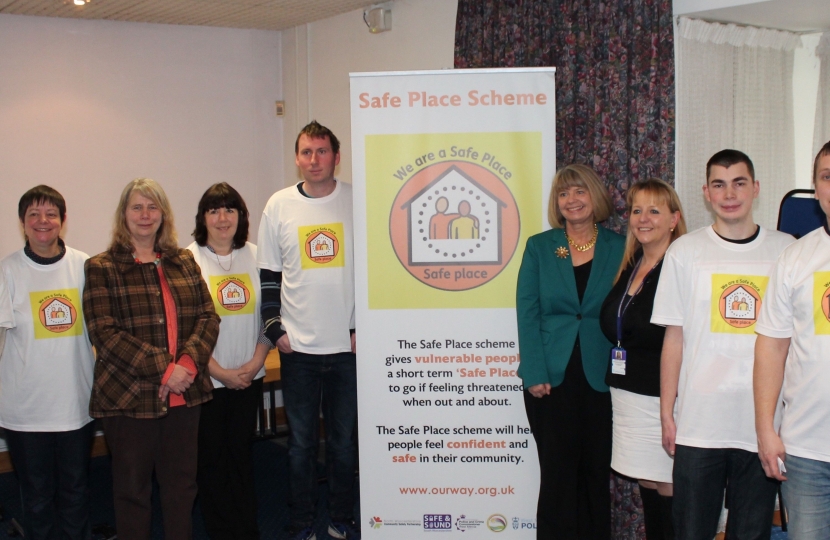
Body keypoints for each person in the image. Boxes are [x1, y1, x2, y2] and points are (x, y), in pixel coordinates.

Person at [652, 150, 794, 539]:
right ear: (706, 193)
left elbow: (795, 345)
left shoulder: (787, 251)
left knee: (751, 533)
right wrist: (668, 411)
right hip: (700, 424)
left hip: (763, 426)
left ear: (756, 189)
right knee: (691, 531)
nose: (729, 193)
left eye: (739, 182)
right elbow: (674, 338)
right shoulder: (684, 252)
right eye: (719, 184)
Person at [83, 178, 220, 540]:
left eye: (152, 207)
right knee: (132, 493)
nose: (145, 215)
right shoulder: (102, 267)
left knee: (181, 489)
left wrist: (188, 366)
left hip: (185, 395)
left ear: (163, 214)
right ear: (123, 215)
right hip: (129, 399)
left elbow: (208, 316)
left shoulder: (183, 260)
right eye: (137, 207)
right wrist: (164, 369)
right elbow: (104, 332)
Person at [258, 121, 358, 540]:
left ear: (336, 156)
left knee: (342, 444)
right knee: (299, 447)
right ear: (297, 157)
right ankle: (301, 521)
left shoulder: (358, 200)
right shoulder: (278, 205)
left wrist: (362, 326)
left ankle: (340, 518)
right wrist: (274, 328)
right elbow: (268, 275)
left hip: (348, 349)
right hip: (296, 348)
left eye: (321, 151)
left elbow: (375, 269)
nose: (313, 160)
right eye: (305, 152)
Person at [516, 164, 625, 539]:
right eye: (564, 193)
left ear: (595, 196)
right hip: (551, 379)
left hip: (603, 379)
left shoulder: (620, 246)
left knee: (595, 475)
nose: (572, 200)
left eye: (579, 191)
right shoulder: (540, 247)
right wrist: (534, 372)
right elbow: (526, 311)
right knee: (558, 477)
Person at [0, 185, 96, 540]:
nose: (43, 221)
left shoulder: (85, 266)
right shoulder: (7, 271)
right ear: (23, 223)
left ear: (63, 221)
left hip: (75, 405)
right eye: (33, 215)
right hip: (25, 410)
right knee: (36, 499)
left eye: (51, 214)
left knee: (76, 493)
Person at [599, 179, 686, 540]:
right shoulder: (631, 263)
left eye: (654, 210)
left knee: (669, 486)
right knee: (648, 483)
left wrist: (669, 406)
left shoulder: (680, 265)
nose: (643, 219)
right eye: (636, 210)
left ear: (673, 219)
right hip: (628, 395)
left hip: (664, 398)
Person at [755, 140, 830, 537]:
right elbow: (771, 347)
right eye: (827, 177)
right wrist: (766, 430)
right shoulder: (795, 258)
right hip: (806, 452)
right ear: (816, 189)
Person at [187, 182, 270, 540]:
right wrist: (219, 371)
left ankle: (247, 529)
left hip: (250, 374)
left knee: (241, 455)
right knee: (211, 460)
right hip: (207, 380)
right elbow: (184, 328)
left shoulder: (258, 255)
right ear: (203, 218)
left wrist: (256, 361)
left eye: (230, 209)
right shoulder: (186, 259)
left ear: (241, 216)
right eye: (214, 210)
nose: (222, 218)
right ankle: (221, 531)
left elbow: (272, 313)